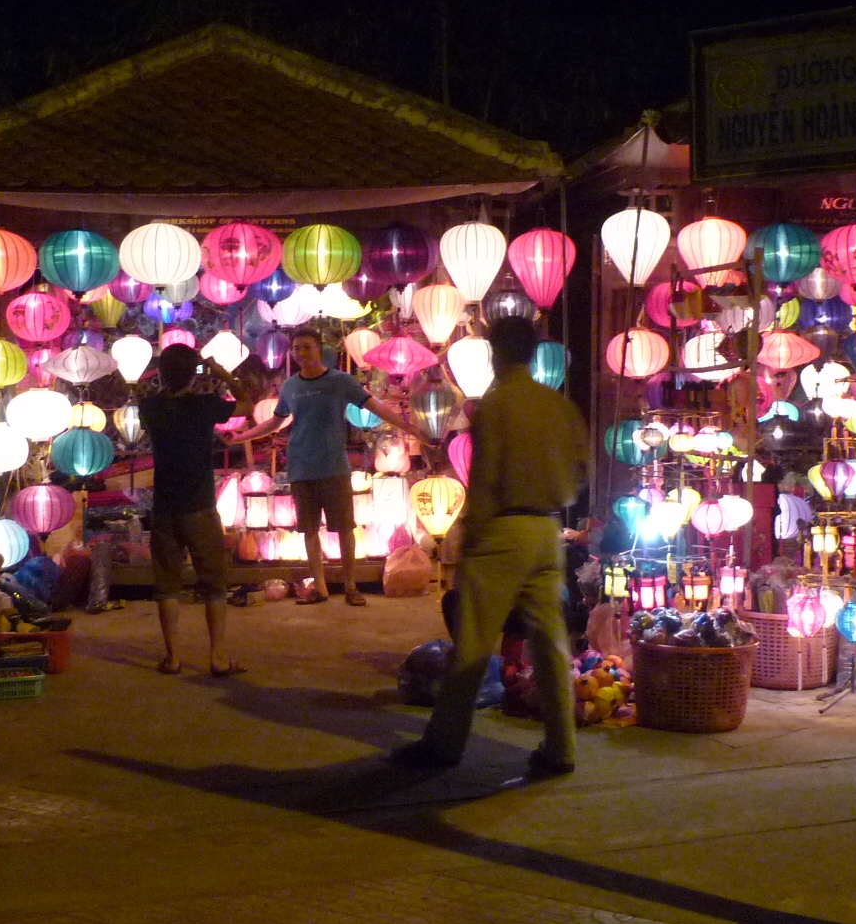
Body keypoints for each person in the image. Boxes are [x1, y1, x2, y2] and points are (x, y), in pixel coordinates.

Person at [392, 316, 589, 779]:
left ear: (497, 353)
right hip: (546, 529)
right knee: (550, 643)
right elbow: (579, 469)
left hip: (503, 529)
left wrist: (469, 541)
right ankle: (561, 748)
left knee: (475, 642)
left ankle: (444, 744)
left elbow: (484, 480)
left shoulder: (498, 405)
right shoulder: (557, 405)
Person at [231, 327, 426, 606]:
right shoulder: (290, 386)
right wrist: (241, 436)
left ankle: (350, 586)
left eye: (306, 347)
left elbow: (375, 406)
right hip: (301, 467)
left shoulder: (340, 381)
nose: (301, 354)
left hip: (334, 465)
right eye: (296, 349)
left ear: (319, 349)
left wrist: (408, 427)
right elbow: (275, 422)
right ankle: (320, 588)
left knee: (344, 528)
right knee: (308, 531)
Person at [140, 344, 253, 675]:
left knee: (167, 585)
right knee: (214, 585)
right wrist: (219, 372)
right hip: (200, 506)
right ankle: (218, 657)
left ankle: (173, 657)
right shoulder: (206, 406)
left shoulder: (150, 407)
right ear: (193, 373)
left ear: (161, 373)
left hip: (164, 508)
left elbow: (158, 396)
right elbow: (246, 403)